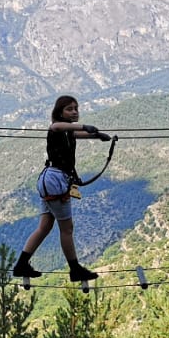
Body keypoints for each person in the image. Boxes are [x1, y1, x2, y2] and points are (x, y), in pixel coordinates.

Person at [13, 94, 112, 282]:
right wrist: (85, 126)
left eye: (76, 108)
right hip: (56, 182)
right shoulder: (57, 128)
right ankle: (75, 270)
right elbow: (57, 126)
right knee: (67, 229)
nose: (74, 112)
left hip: (49, 181)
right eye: (69, 109)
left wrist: (97, 135)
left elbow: (76, 134)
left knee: (44, 227)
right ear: (60, 112)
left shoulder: (67, 132)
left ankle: (21, 265)